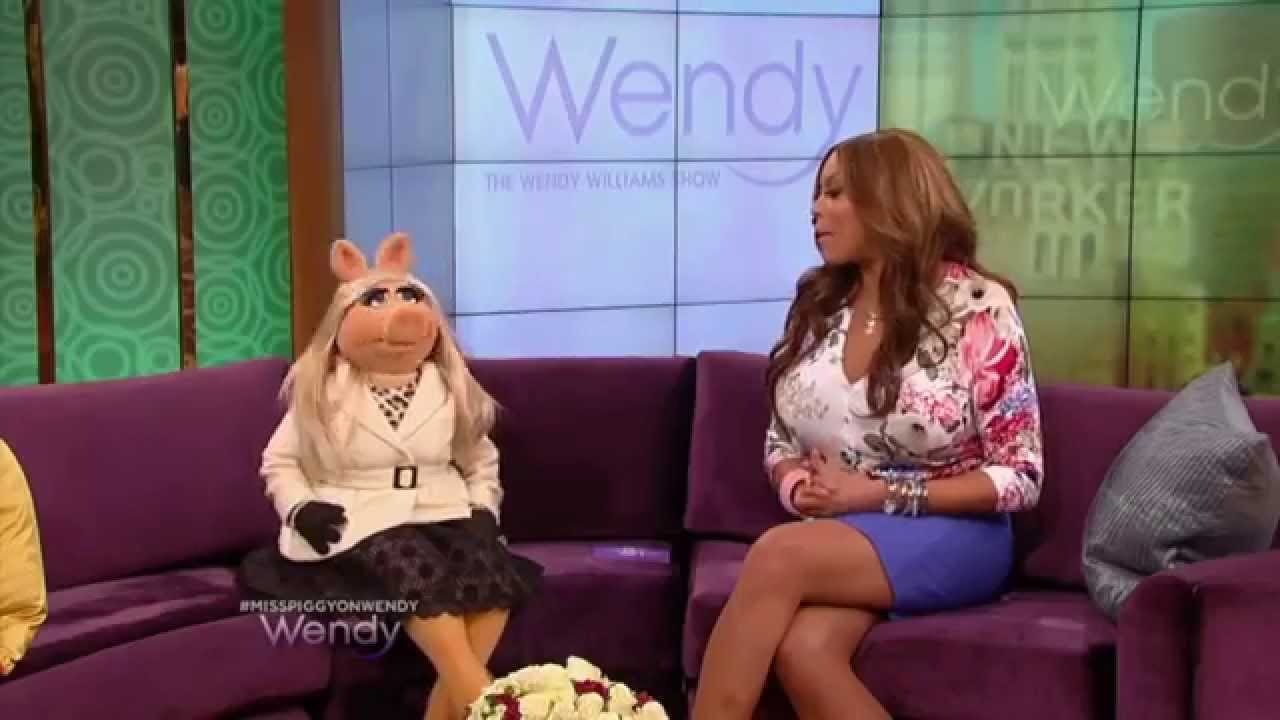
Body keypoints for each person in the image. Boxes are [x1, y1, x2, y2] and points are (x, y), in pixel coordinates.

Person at [690, 129, 1045, 720]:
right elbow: (780, 440)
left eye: (835, 194)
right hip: (845, 530)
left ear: (890, 200)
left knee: (778, 556)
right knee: (805, 651)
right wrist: (797, 486)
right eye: (817, 194)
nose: (816, 209)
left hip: (956, 531)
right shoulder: (822, 306)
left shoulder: (977, 306)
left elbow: (1021, 476)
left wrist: (876, 493)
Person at [239, 232, 543, 720]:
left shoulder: (450, 388)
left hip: (442, 512)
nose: (401, 311)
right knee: (416, 572)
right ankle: (496, 708)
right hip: (358, 519)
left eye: (410, 297)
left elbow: (480, 460)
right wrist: (300, 508)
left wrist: (483, 507)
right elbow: (280, 462)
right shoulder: (323, 391)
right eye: (376, 300)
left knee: (491, 577)